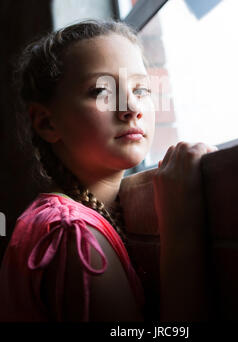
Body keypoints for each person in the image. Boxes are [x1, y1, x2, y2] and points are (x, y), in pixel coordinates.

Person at [0, 19, 218, 322]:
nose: (131, 107)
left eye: (140, 89)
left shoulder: (72, 219)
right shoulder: (72, 233)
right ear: (47, 123)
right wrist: (180, 226)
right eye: (101, 91)